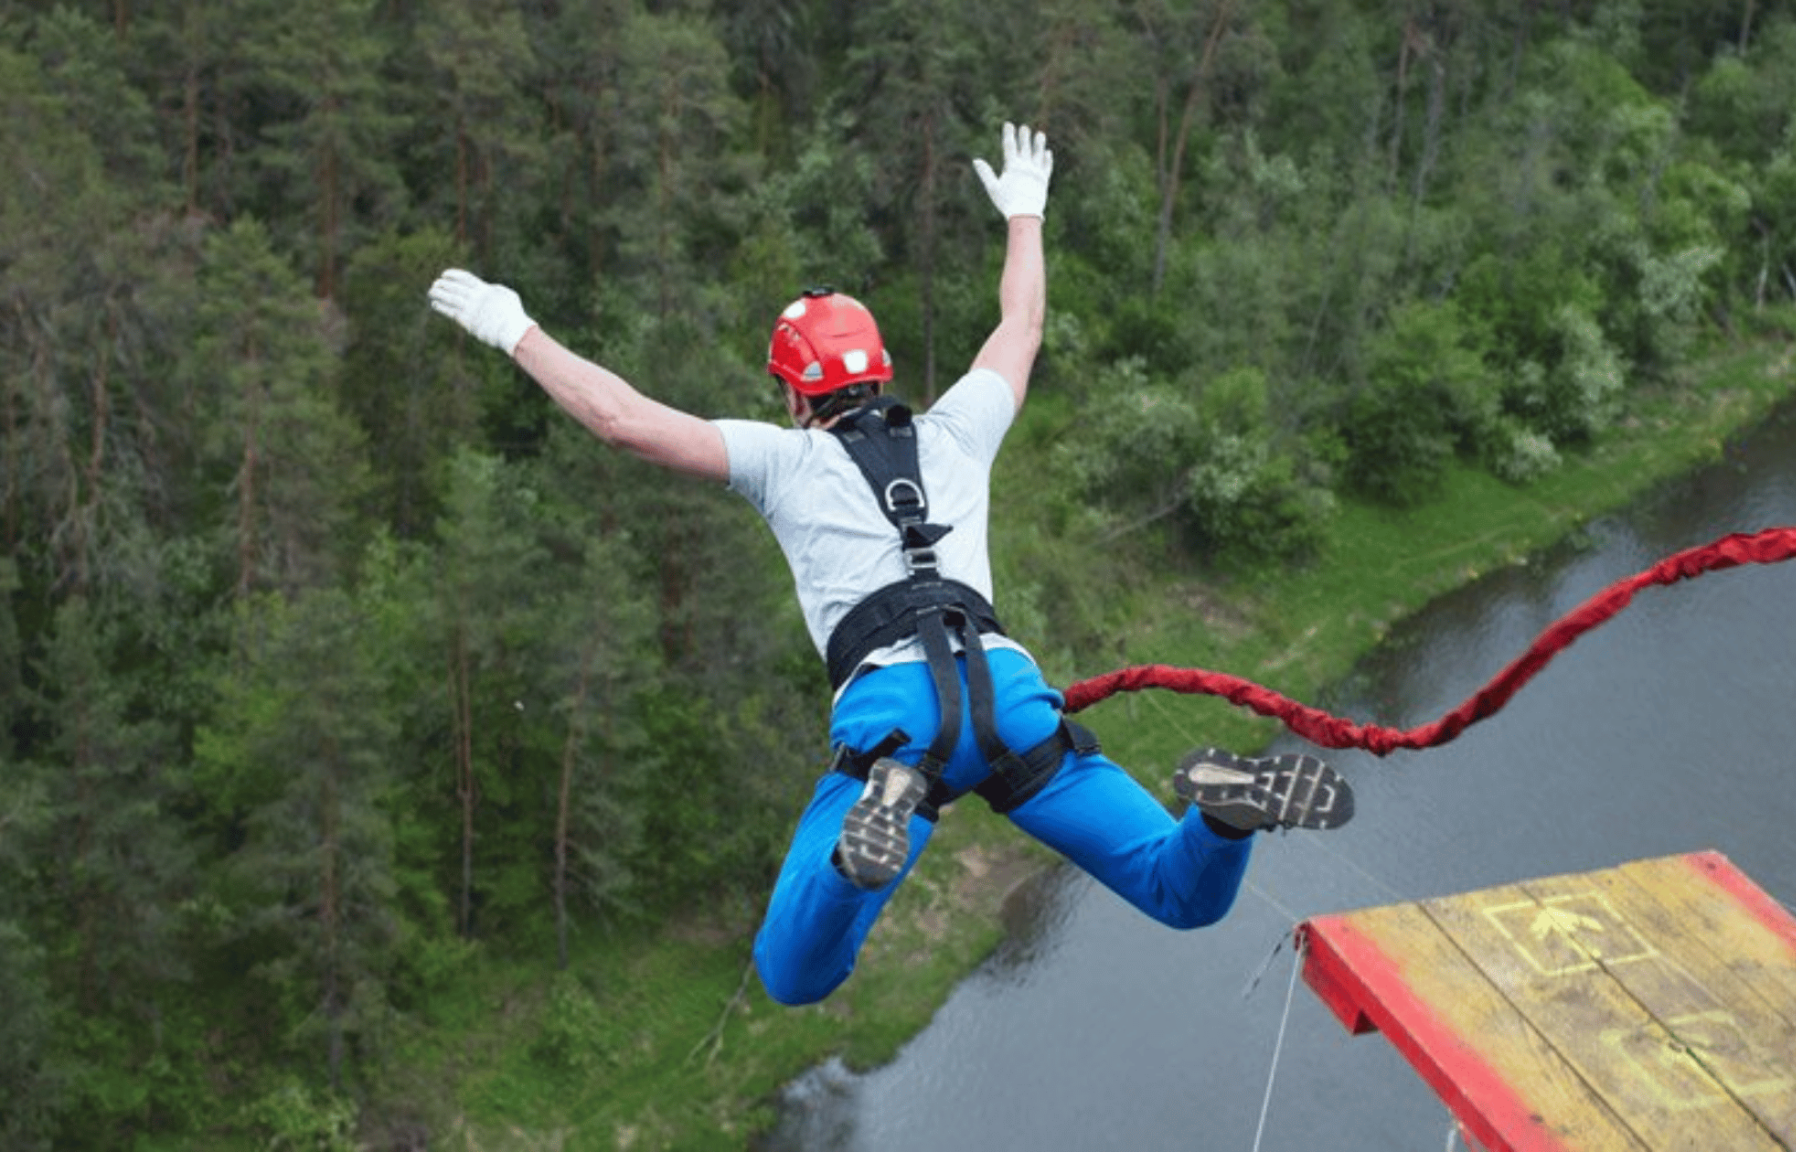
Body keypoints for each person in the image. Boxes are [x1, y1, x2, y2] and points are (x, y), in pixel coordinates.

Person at [428, 121, 1354, 1007]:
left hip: (895, 722)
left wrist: (515, 329)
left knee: (796, 973)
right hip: (1009, 697)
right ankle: (1228, 813)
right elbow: (1020, 327)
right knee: (1178, 894)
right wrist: (1024, 215)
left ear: (795, 396)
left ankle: (854, 850)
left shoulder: (782, 460)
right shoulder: (956, 431)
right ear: (881, 369)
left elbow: (622, 419)